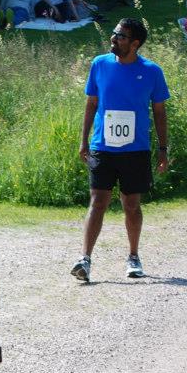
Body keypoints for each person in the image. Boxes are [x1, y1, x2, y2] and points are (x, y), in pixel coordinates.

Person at [72, 18, 170, 282]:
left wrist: (163, 149)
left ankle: (133, 256)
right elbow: (91, 104)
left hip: (135, 150)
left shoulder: (152, 71)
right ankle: (85, 259)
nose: (113, 38)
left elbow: (160, 112)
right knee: (98, 201)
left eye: (120, 36)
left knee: (131, 205)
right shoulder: (99, 64)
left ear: (135, 43)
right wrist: (83, 140)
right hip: (102, 146)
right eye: (114, 33)